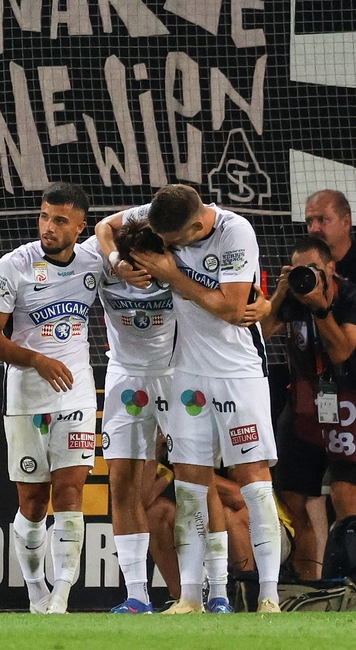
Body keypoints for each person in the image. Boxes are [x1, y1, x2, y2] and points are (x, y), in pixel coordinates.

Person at [105, 184, 281, 613]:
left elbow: (233, 307)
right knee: (189, 483)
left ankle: (270, 596)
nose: (166, 246)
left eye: (175, 240)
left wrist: (172, 274)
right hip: (187, 372)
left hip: (238, 371)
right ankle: (189, 597)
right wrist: (116, 262)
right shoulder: (166, 213)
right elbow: (105, 226)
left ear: (199, 224)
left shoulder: (235, 232)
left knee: (254, 480)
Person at [0, 182, 102, 614]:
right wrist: (35, 359)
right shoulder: (14, 265)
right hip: (27, 396)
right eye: (45, 216)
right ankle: (36, 590)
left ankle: (62, 596)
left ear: (81, 227)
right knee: (32, 504)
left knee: (70, 494)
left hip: (77, 395)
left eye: (60, 220)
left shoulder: (95, 261)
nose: (48, 227)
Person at [93, 218, 181, 613]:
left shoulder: (179, 267)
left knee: (198, 482)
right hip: (125, 377)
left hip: (176, 375)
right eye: (134, 262)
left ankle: (210, 593)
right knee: (122, 481)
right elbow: (100, 229)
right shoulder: (102, 266)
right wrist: (113, 259)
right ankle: (137, 596)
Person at [261, 236, 356, 541]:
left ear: (331, 268)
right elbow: (259, 334)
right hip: (303, 408)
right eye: (299, 270)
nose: (308, 277)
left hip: (349, 408)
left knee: (345, 496)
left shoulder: (350, 296)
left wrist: (320, 309)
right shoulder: (291, 297)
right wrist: (281, 292)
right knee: (292, 503)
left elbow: (341, 352)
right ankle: (309, 585)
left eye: (314, 269)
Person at [305, 190, 355, 280]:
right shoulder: (304, 263)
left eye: (322, 219)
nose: (314, 228)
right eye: (309, 221)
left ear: (346, 222)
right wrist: (280, 293)